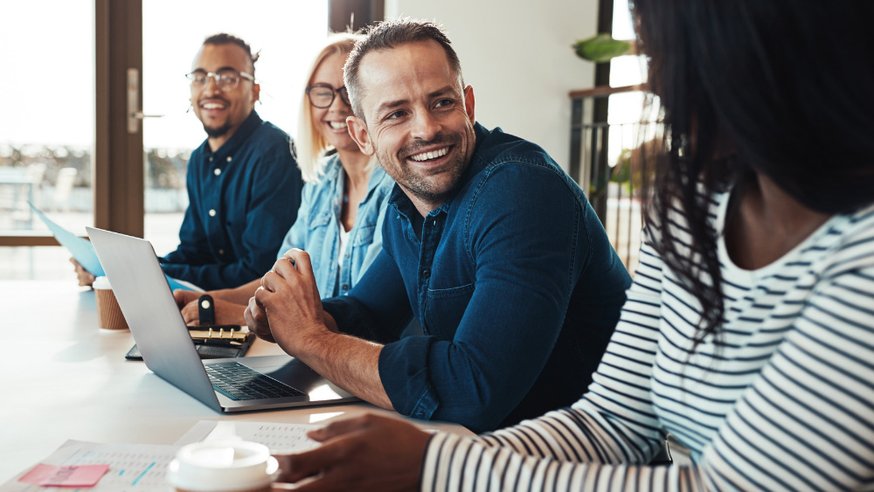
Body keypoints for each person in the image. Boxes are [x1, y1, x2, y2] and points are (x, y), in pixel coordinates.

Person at [267, 3, 874, 491]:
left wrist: (439, 467)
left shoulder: (861, 255)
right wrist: (429, 457)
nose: (657, 82)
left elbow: (732, 485)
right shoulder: (690, 211)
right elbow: (612, 423)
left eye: (667, 55)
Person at [246, 19, 631, 433]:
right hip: (489, 450)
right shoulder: (406, 205)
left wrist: (312, 340)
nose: (427, 129)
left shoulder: (522, 191)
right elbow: (367, 313)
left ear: (468, 103)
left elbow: (471, 389)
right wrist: (290, 316)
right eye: (396, 113)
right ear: (362, 135)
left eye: (442, 103)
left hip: (585, 465)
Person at [174, 33, 394, 325]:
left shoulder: (398, 187)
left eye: (350, 92)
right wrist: (212, 299)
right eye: (322, 92)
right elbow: (276, 282)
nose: (338, 107)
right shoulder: (320, 182)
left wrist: (237, 313)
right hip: (311, 354)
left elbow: (364, 314)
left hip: (360, 359)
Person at [72, 33, 302, 290]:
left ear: (254, 91)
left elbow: (259, 271)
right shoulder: (199, 160)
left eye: (227, 78)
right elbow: (194, 252)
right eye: (200, 78)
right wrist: (120, 270)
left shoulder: (276, 153)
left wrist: (148, 275)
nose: (211, 89)